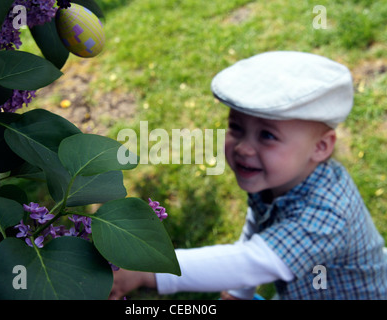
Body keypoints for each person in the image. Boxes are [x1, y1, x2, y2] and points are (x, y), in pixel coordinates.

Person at [109, 51, 387, 300]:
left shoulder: (328, 215)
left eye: (267, 135)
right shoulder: (279, 178)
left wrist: (151, 271)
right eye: (236, 128)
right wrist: (240, 291)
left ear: (320, 147)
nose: (243, 147)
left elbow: (253, 261)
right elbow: (258, 228)